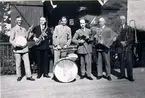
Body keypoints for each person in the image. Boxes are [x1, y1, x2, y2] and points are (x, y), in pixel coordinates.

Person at [9, 16, 35, 81]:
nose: (19, 21)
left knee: (27, 62)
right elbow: (11, 40)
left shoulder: (24, 29)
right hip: (17, 49)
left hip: (25, 48)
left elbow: (26, 38)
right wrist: (15, 44)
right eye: (18, 20)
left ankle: (28, 76)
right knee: (18, 63)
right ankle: (19, 76)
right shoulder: (13, 29)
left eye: (20, 20)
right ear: (16, 21)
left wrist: (30, 32)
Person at [116, 15, 134, 82]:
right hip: (120, 47)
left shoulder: (129, 28)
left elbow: (131, 37)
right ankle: (122, 74)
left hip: (127, 47)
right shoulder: (118, 28)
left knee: (129, 62)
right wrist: (120, 42)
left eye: (123, 19)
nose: (121, 21)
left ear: (125, 20)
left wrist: (126, 43)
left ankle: (130, 77)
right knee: (121, 61)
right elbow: (117, 37)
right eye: (120, 19)